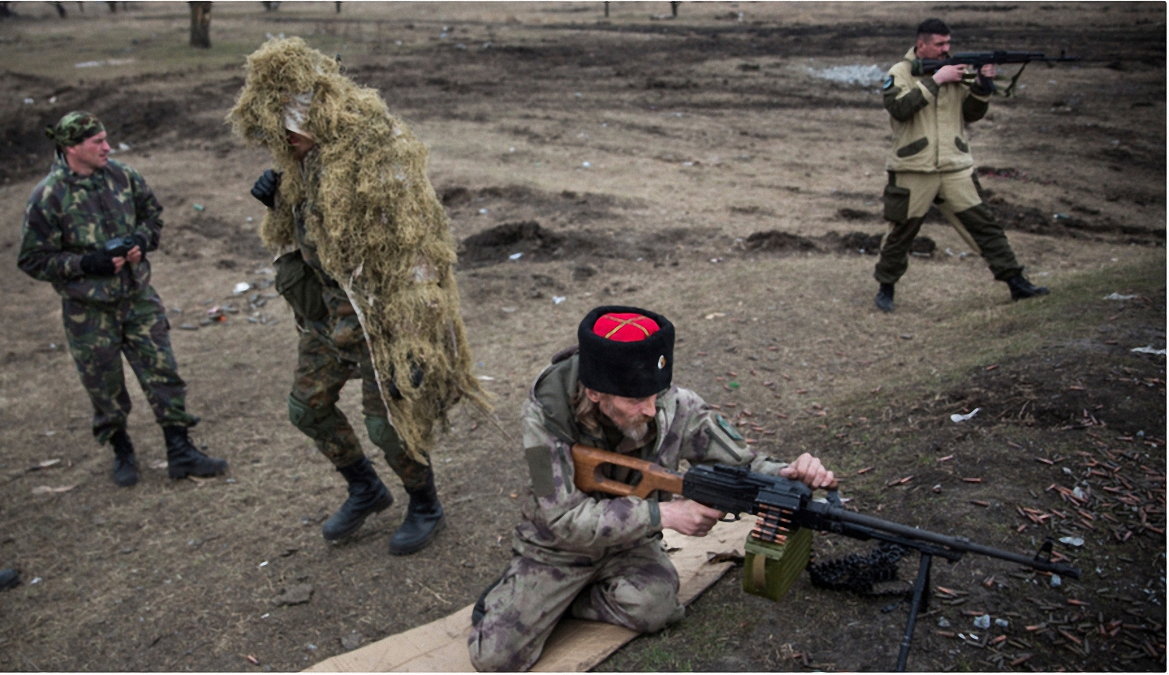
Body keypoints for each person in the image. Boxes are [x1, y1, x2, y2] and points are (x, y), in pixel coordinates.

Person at [467, 306, 835, 671]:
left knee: (657, 609)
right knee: (496, 658)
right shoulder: (545, 419)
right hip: (558, 548)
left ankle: (569, 601)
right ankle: (536, 593)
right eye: (634, 400)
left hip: (632, 543)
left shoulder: (673, 404)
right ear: (595, 393)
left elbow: (742, 462)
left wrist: (786, 474)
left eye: (655, 394)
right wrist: (667, 514)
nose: (650, 410)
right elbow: (563, 517)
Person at [228, 38, 488, 555]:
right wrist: (279, 198)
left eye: (287, 133)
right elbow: (301, 232)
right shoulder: (302, 157)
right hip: (329, 314)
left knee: (387, 425)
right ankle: (365, 488)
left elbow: (416, 246)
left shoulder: (375, 150)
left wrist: (415, 339)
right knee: (307, 409)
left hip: (381, 319)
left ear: (310, 116)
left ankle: (425, 504)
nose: (281, 145)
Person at [18, 112, 227, 487]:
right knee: (104, 385)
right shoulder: (48, 197)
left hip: (137, 297)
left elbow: (153, 217)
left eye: (106, 139)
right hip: (88, 311)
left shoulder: (123, 176)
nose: (107, 147)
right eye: (97, 142)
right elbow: (33, 259)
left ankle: (180, 451)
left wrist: (142, 242)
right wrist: (85, 263)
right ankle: (122, 450)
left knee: (164, 373)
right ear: (71, 148)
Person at [873, 18, 1049, 313]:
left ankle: (1017, 283)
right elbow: (899, 109)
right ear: (921, 45)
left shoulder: (956, 70)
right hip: (914, 168)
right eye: (939, 44)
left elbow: (972, 113)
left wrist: (982, 85)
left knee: (984, 226)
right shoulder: (900, 72)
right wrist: (936, 80)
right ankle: (885, 288)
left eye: (948, 44)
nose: (946, 50)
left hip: (955, 167)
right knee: (900, 233)